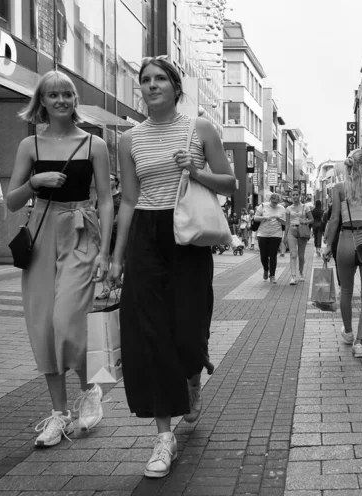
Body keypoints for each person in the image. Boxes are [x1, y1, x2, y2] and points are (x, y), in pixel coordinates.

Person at [108, 56, 235, 478]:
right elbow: (127, 199)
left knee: (188, 328)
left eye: (160, 78)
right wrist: (116, 257)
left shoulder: (199, 128)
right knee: (148, 332)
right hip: (146, 231)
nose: (151, 85)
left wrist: (195, 171)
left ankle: (193, 375)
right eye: (145, 80)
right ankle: (164, 437)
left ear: (175, 86)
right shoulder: (128, 140)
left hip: (187, 236)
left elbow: (230, 182)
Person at [7, 70, 113, 447]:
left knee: (67, 319)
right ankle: (59, 413)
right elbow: (11, 201)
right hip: (40, 232)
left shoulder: (93, 144)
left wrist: (106, 252)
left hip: (80, 231)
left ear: (74, 100)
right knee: (43, 327)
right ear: (42, 101)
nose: (62, 101)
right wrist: (34, 183)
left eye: (67, 94)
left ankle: (90, 392)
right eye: (54, 95)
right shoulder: (30, 145)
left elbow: (105, 199)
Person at [323, 148, 362, 359]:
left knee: (346, 290)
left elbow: (334, 219)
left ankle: (348, 332)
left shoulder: (339, 187)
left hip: (346, 240)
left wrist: (327, 245)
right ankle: (360, 343)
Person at [96, 173, 122, 300]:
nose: (108, 181)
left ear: (116, 182)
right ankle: (105, 289)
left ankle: (119, 284)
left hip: (119, 232)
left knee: (120, 260)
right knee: (104, 260)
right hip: (106, 232)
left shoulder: (121, 196)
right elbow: (97, 214)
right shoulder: (101, 197)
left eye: (111, 179)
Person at [254, 192, 285, 284]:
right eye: (273, 202)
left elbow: (286, 223)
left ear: (279, 201)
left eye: (276, 202)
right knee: (263, 255)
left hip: (276, 234)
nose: (274, 204)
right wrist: (266, 217)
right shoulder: (263, 206)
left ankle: (272, 275)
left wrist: (280, 220)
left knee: (273, 255)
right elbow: (255, 218)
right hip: (263, 233)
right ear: (270, 200)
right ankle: (265, 269)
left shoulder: (282, 208)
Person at [284, 190, 314, 285]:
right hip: (291, 231)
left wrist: (304, 222)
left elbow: (312, 219)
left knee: (301, 256)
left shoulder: (306, 207)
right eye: (293, 195)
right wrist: (285, 236)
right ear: (291, 196)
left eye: (297, 194)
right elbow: (287, 223)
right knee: (293, 254)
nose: (295, 196)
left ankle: (301, 272)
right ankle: (293, 276)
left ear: (300, 196)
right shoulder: (288, 208)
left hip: (302, 231)